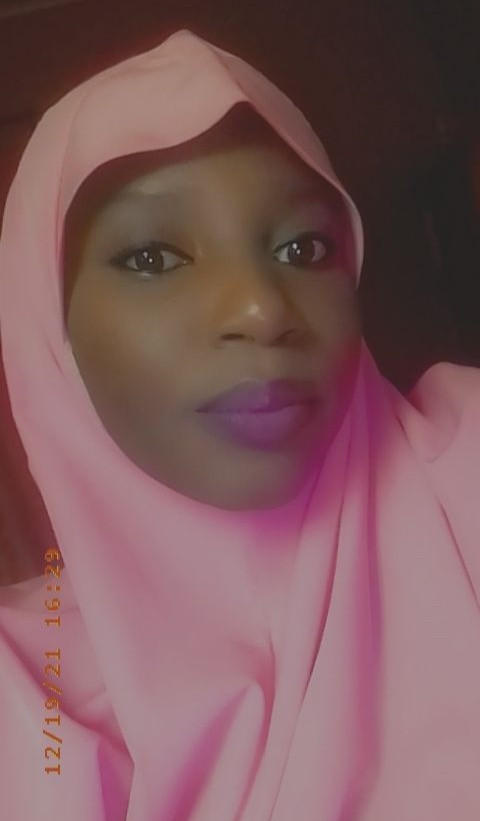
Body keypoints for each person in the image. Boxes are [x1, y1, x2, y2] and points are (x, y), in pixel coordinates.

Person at [0, 27, 479, 821]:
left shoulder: (464, 475)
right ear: (48, 330)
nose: (261, 309)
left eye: (304, 247)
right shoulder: (28, 681)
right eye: (153, 258)